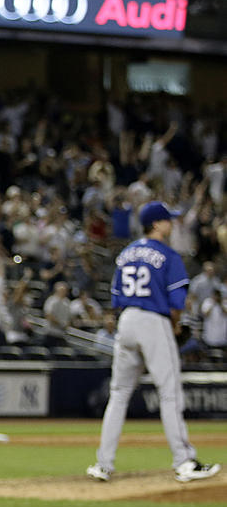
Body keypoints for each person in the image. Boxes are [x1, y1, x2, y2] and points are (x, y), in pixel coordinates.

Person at [88, 202, 221, 484]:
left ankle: (103, 464)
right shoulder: (167, 254)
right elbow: (178, 302)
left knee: (119, 394)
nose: (171, 225)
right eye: (167, 221)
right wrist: (173, 325)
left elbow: (115, 298)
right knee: (170, 393)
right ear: (157, 224)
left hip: (126, 321)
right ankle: (185, 462)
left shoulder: (125, 254)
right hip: (153, 320)